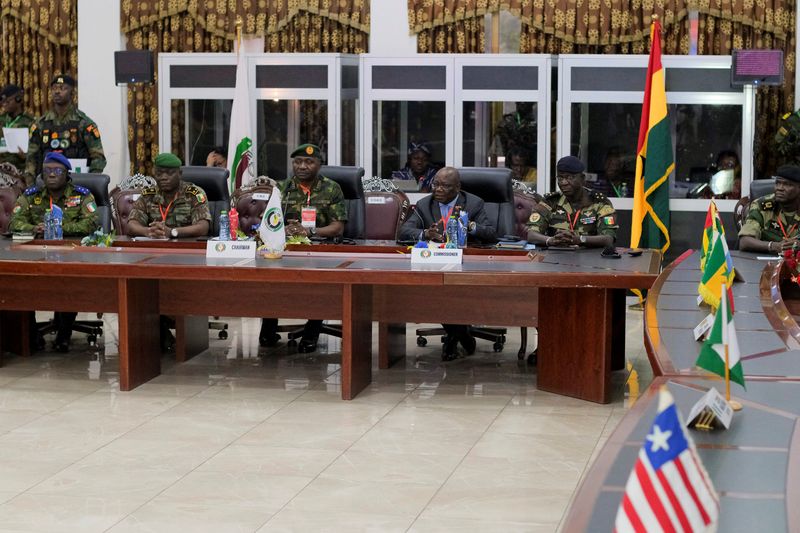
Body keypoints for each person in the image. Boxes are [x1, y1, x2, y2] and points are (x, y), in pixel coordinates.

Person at [398, 166, 497, 361]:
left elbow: (491, 234)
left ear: (458, 188)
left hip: (466, 264)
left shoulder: (474, 203)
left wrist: (470, 226)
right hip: (436, 264)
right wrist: (426, 233)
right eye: (435, 184)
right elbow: (404, 231)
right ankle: (460, 335)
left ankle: (457, 335)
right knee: (438, 293)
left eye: (445, 186)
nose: (438, 190)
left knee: (451, 294)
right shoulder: (425, 204)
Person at [259, 143, 347, 353]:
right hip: (285, 248)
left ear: (319, 165)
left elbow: (338, 227)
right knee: (269, 281)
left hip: (320, 249)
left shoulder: (332, 188)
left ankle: (312, 331)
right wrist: (283, 230)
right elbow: (269, 221)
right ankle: (269, 327)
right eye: (298, 162)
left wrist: (310, 232)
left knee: (318, 286)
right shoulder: (282, 188)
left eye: (309, 162)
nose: (302, 166)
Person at [8, 152, 99, 352]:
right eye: (47, 170)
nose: (51, 175)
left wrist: (59, 226)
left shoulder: (82, 195)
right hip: (34, 255)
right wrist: (35, 228)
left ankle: (64, 334)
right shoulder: (31, 196)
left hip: (70, 254)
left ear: (67, 174)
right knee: (19, 284)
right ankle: (31, 336)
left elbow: (92, 222)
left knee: (69, 282)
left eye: (57, 171)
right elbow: (14, 221)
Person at [25, 74, 106, 185]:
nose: (57, 92)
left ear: (72, 93)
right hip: (46, 184)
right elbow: (31, 158)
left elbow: (98, 158)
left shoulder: (84, 123)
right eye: (54, 88)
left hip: (77, 183)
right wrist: (31, 186)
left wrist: (90, 183)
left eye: (62, 88)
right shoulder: (40, 124)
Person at [526, 155, 618, 248]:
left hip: (589, 258)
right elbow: (531, 235)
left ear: (582, 178)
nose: (564, 183)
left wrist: (580, 239)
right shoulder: (550, 202)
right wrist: (550, 240)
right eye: (560, 178)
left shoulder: (599, 203)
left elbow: (608, 239)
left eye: (569, 177)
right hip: (556, 257)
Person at [126, 153, 211, 239]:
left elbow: (203, 227)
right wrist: (148, 232)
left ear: (180, 174)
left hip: (186, 247)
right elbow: (131, 225)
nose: (164, 177)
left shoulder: (194, 194)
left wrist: (172, 232)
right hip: (155, 248)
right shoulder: (148, 195)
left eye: (169, 173)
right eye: (159, 173)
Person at [739, 165, 800, 253]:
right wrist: (772, 246)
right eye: (778, 183)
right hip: (766, 262)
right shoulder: (762, 205)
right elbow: (744, 242)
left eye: (787, 184)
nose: (780, 188)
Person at [0, 84, 35, 172]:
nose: (4, 104)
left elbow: (36, 151)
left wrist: (26, 156)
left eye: (7, 101)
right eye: (2, 102)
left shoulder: (31, 122)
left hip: (20, 170)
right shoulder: (1, 119)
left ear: (18, 99)